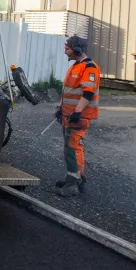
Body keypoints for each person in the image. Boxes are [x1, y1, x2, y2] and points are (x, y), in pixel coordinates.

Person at [53, 35, 100, 197]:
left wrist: (77, 111)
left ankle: (73, 184)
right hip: (69, 115)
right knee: (70, 148)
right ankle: (76, 178)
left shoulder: (89, 68)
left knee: (73, 148)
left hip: (78, 116)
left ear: (78, 50)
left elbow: (88, 92)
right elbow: (68, 90)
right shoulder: (75, 67)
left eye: (67, 49)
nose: (65, 52)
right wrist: (61, 106)